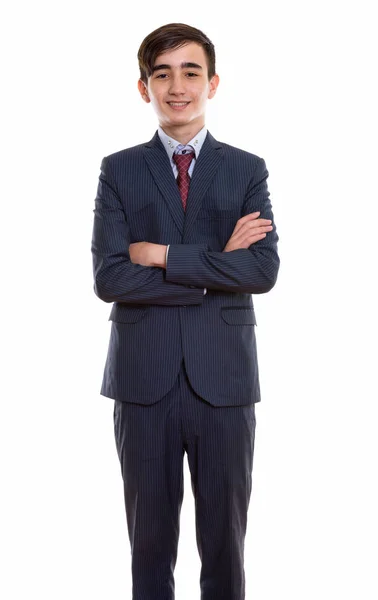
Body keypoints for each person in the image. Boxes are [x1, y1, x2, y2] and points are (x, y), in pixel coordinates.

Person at [91, 22, 279, 600]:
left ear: (213, 83)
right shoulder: (119, 170)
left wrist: (163, 256)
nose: (178, 86)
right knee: (149, 545)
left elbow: (262, 271)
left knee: (226, 543)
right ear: (143, 87)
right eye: (163, 74)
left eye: (191, 72)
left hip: (224, 380)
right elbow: (109, 277)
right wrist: (213, 265)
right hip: (142, 380)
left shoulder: (247, 169)